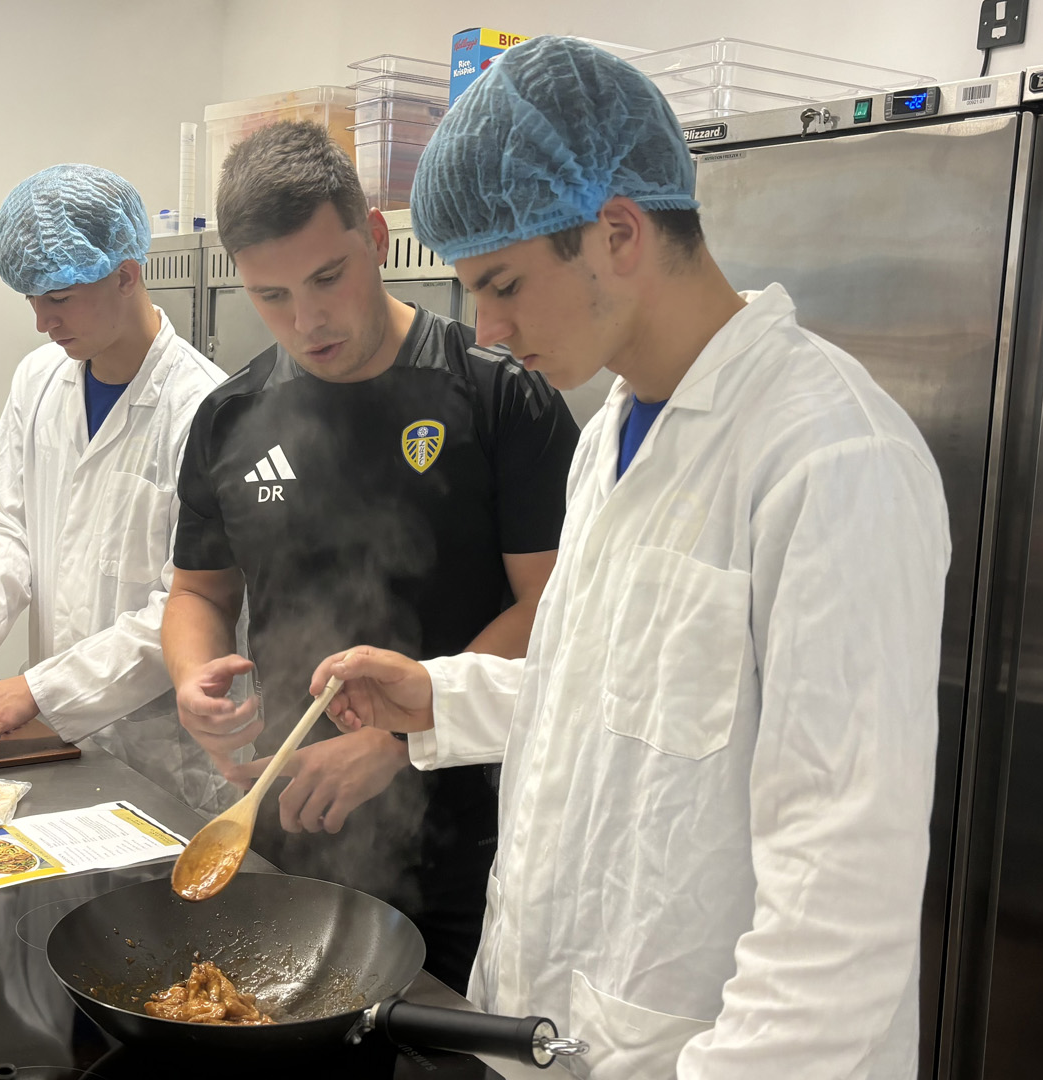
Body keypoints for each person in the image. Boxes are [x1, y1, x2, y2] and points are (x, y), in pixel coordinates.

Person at [312, 36, 951, 1078]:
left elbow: (841, 901)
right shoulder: (612, 430)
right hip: (552, 1027)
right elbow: (616, 698)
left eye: (506, 283)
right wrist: (435, 695)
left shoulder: (832, 459)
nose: (490, 326)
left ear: (616, 233)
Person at [161, 121, 580, 989]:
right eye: (271, 296)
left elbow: (555, 612)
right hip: (285, 821)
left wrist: (402, 735)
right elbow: (198, 590)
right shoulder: (229, 420)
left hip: (467, 837)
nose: (307, 319)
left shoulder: (500, 396)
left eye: (328, 276)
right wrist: (191, 679)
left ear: (378, 240)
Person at [0, 164, 233, 815]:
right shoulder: (38, 381)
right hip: (53, 741)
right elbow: (8, 523)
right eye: (29, 299)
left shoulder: (205, 409)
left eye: (57, 297)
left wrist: (36, 690)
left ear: (126, 273)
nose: (41, 322)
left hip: (160, 756)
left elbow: (186, 607)